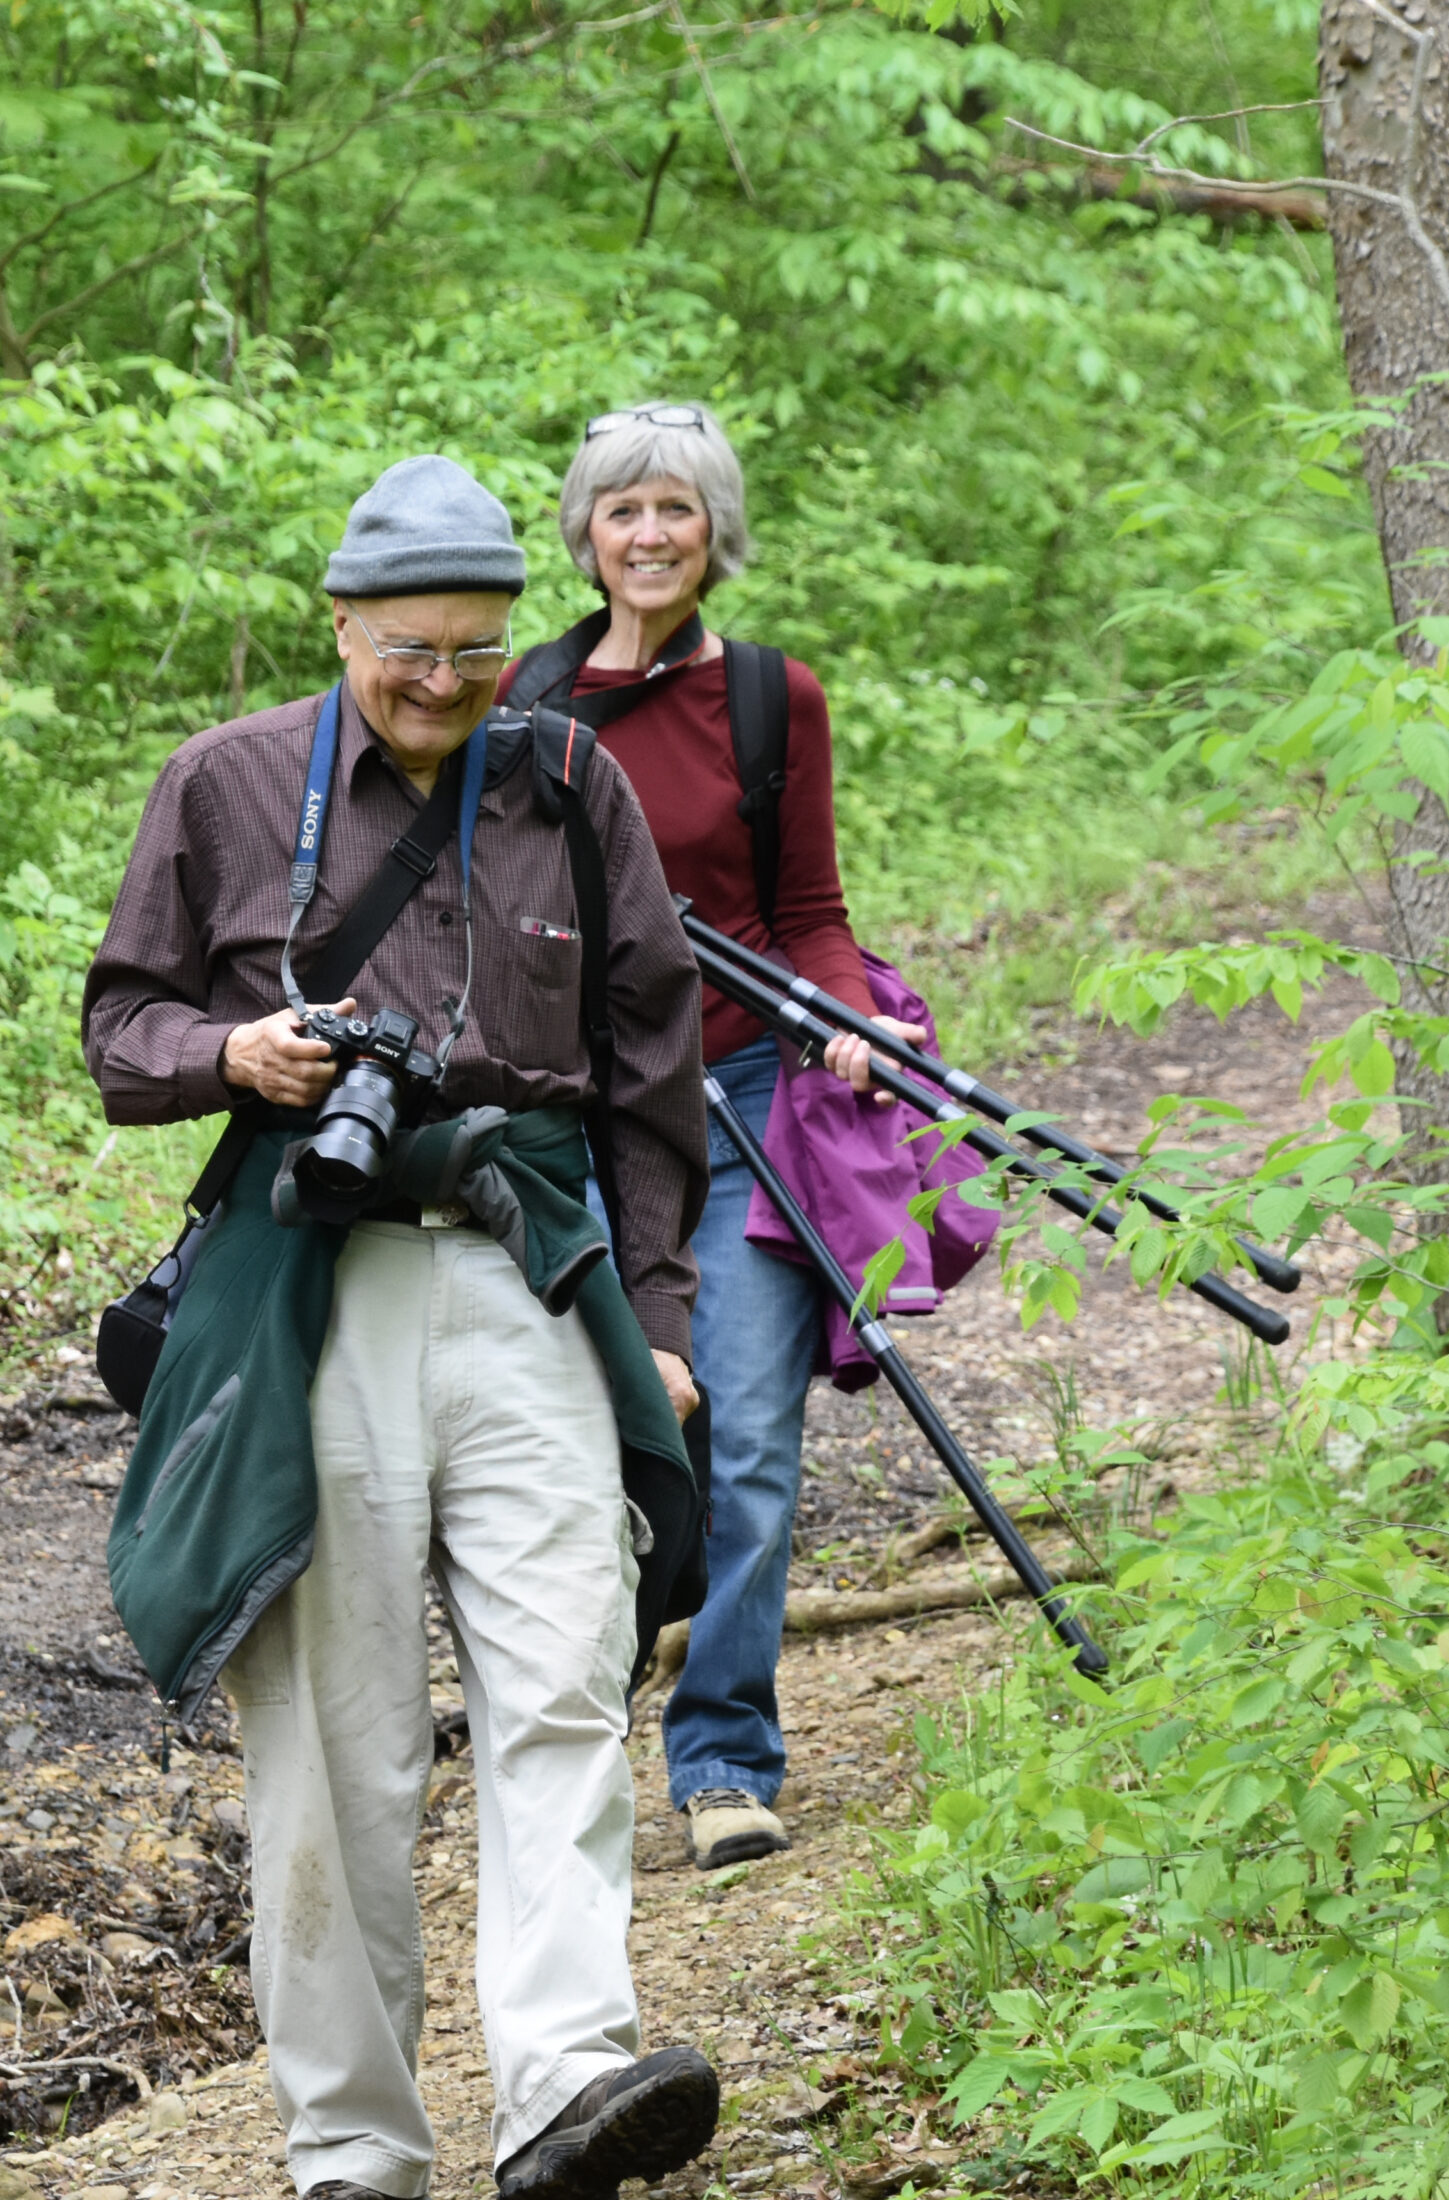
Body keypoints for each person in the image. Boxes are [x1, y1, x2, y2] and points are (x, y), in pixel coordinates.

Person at [83, 454, 721, 2200]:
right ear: (343, 624)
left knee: (563, 1670)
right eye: (410, 650)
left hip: (529, 1265)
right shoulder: (225, 785)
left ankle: (566, 2082)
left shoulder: (567, 781)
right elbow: (120, 1028)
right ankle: (354, 2151)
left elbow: (653, 1062)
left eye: (477, 650)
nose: (444, 682)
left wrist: (660, 1321)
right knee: (333, 1735)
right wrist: (236, 1057)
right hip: (316, 1277)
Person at [504, 401, 926, 1876]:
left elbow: (807, 909)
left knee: (745, 1437)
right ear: (587, 531)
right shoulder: (520, 702)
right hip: (572, 1123)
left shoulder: (768, 698)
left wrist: (847, 1017)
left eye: (675, 508)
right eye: (623, 509)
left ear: (713, 529)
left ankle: (725, 1754)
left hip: (743, 1104)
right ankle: (567, 1749)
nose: (649, 534)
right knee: (583, 1447)